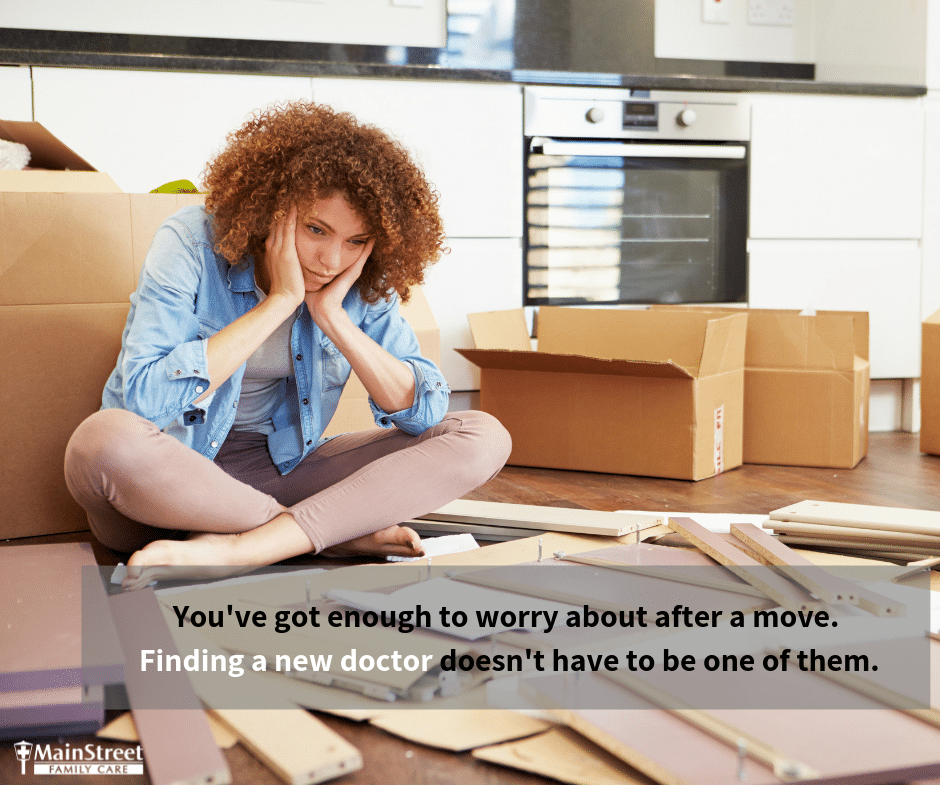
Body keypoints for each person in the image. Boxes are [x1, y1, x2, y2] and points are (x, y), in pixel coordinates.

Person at [64, 101, 512, 589]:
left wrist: (334, 318)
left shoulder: (358, 281)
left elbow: (423, 412)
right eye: (316, 229)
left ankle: (249, 546)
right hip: (164, 483)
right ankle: (323, 534)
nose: (331, 259)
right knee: (101, 440)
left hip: (276, 470)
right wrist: (280, 302)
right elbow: (144, 403)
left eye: (356, 241)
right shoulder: (191, 241)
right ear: (270, 210)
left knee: (481, 436)